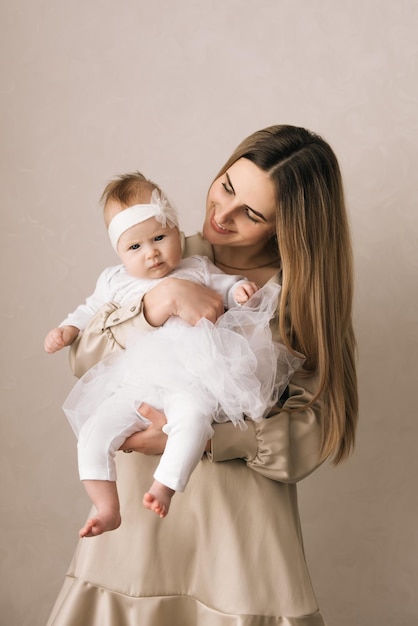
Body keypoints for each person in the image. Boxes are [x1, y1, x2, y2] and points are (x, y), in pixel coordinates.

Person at [46, 125, 358, 626]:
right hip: (134, 535)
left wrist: (210, 439)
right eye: (227, 187)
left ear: (289, 228)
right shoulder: (151, 256)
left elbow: (317, 430)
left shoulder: (302, 299)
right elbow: (83, 362)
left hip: (240, 537)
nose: (221, 214)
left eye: (252, 213)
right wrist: (156, 304)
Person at [44, 172, 301, 536]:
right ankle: (106, 506)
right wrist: (68, 329)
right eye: (134, 247)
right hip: (134, 382)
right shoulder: (114, 281)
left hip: (191, 377)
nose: (150, 252)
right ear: (118, 251)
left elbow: (225, 287)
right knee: (93, 431)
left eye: (160, 238)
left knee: (193, 422)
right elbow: (88, 318)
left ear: (176, 231)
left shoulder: (196, 266)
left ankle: (164, 485)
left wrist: (240, 291)